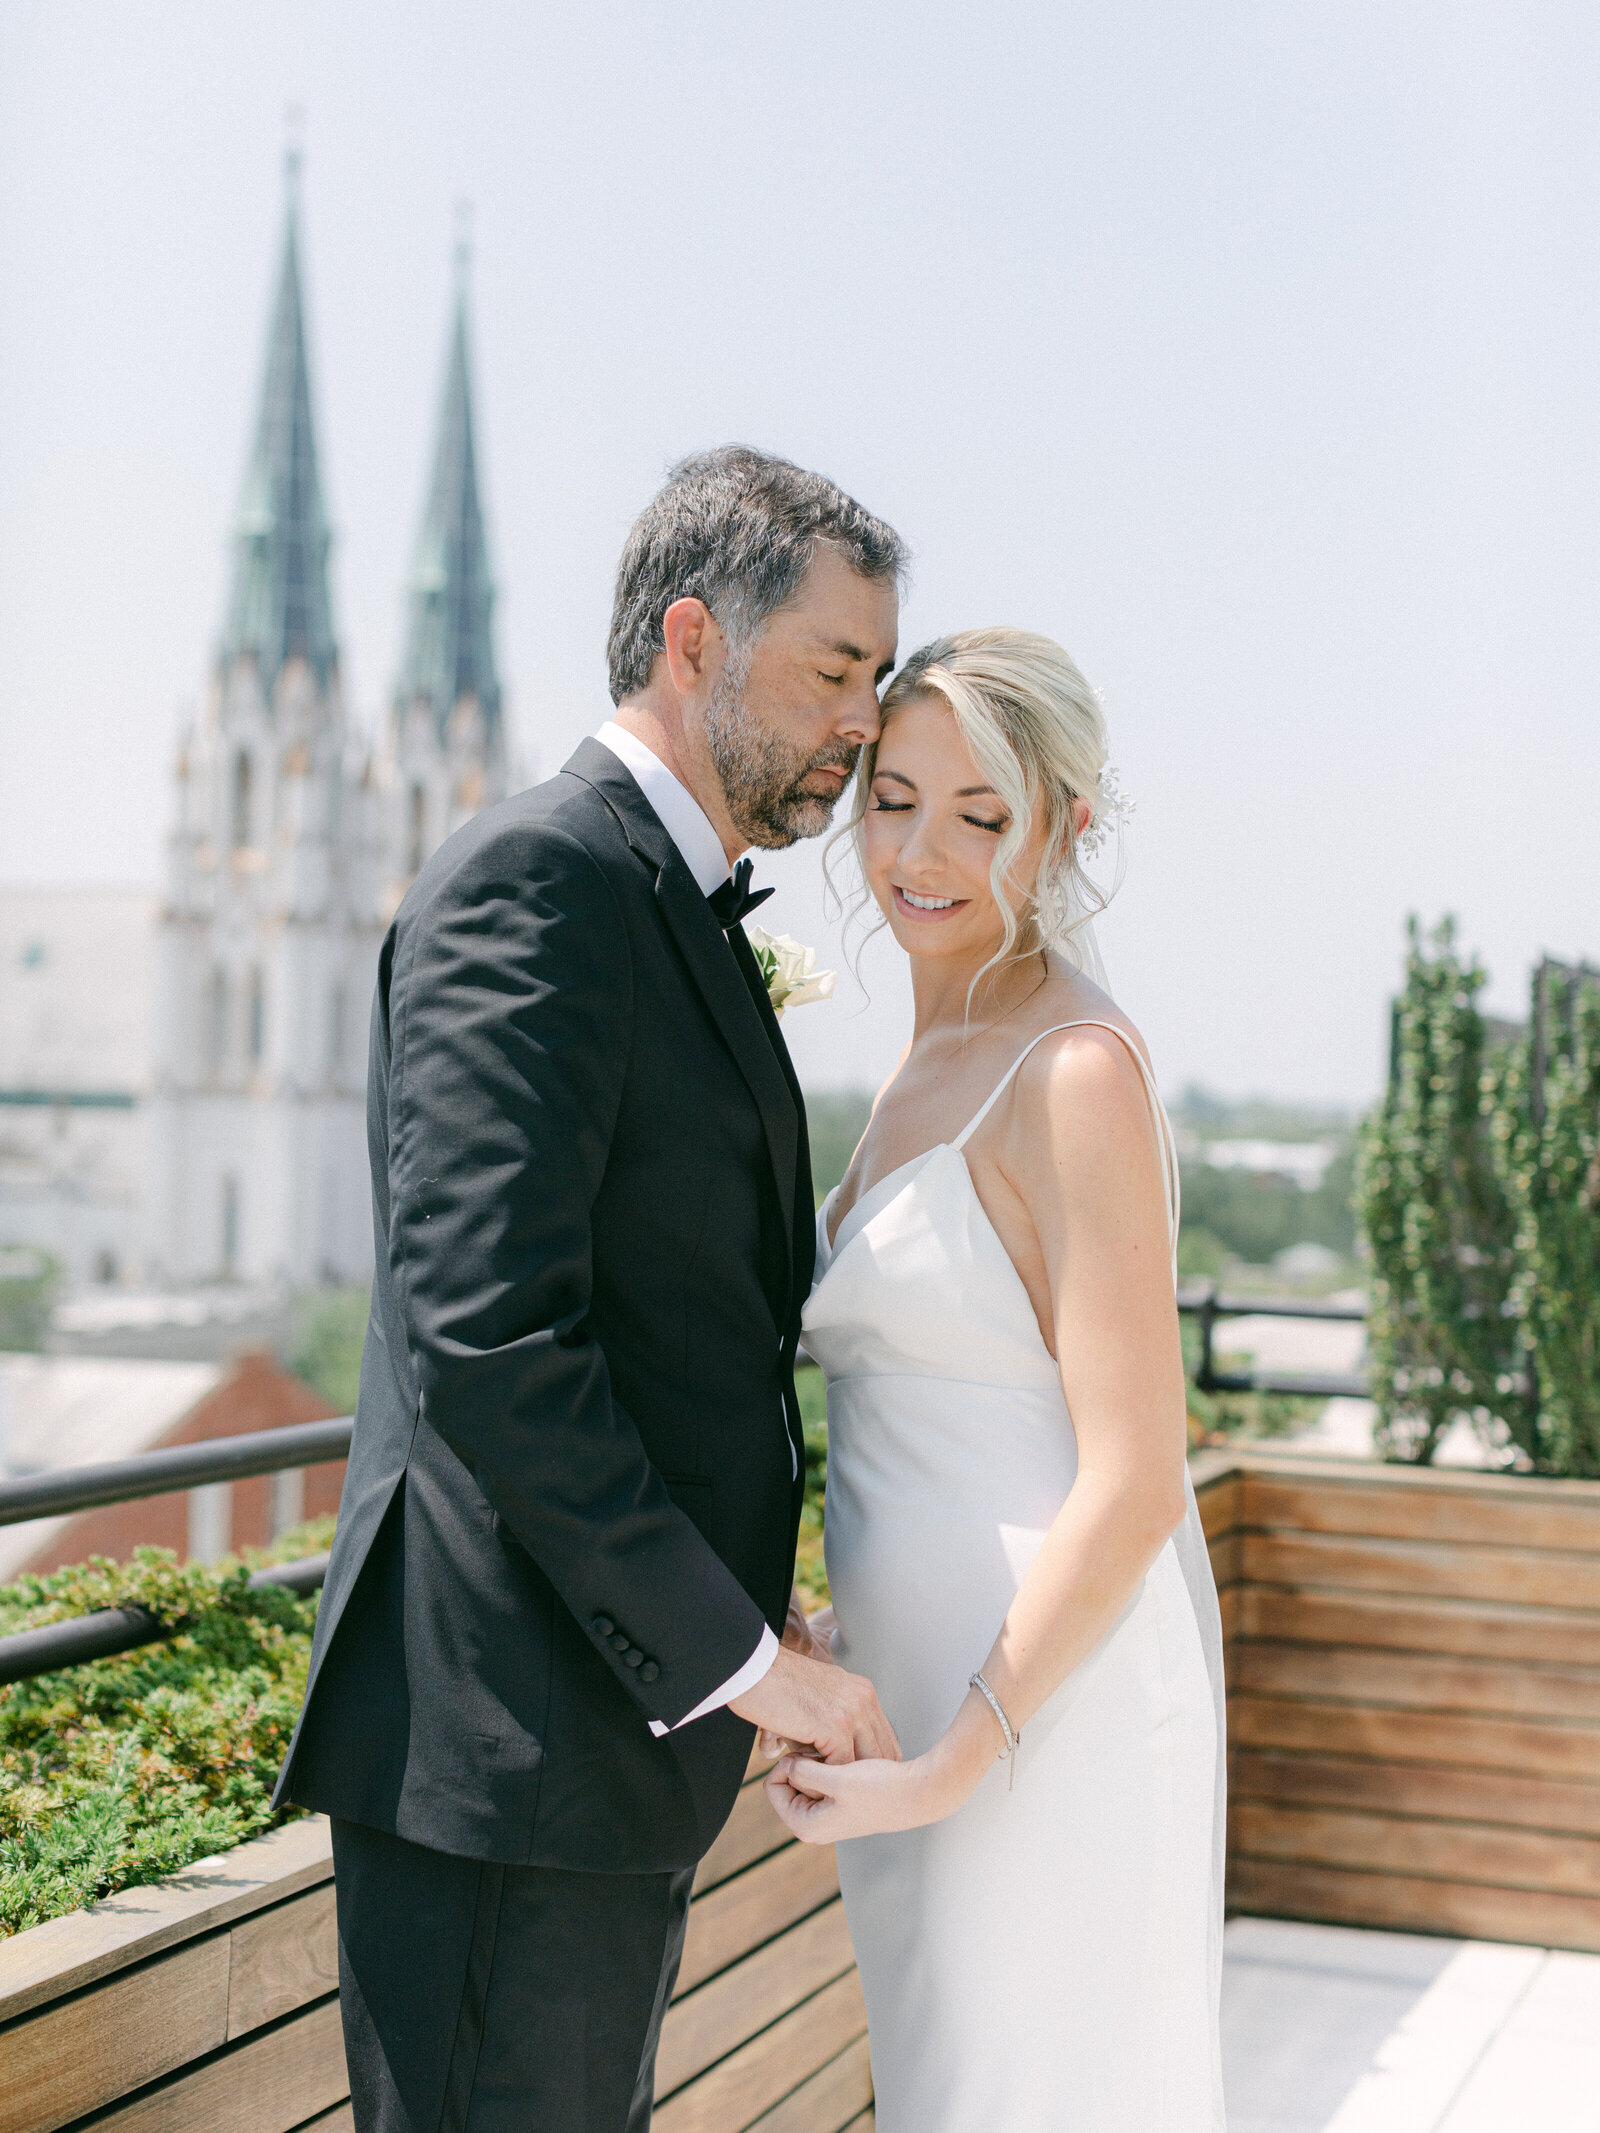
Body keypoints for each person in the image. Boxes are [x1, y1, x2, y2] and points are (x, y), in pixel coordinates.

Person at [274, 447, 905, 2132]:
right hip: (505, 1755)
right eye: (836, 668)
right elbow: (493, 1338)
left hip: (596, 1749)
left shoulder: (663, 904)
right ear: (694, 640)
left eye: (879, 678)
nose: (864, 719)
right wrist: (737, 1660)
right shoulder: (535, 878)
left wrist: (753, 1640)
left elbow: (688, 1331)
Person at [770, 629, 1228, 2131]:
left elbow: (1136, 1475)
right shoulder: (924, 1056)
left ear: (1065, 825)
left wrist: (961, 1758)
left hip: (1044, 1717)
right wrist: (832, 1633)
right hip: (916, 1702)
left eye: (983, 813)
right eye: (894, 797)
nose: (923, 851)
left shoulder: (1073, 1068)